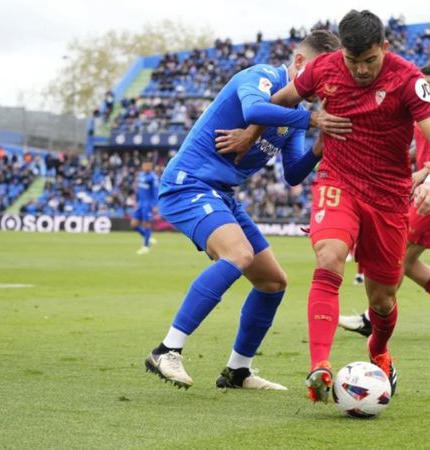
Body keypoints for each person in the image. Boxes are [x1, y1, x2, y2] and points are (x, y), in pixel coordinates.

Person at [144, 30, 348, 391]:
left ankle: (238, 370)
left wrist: (319, 148)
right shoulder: (261, 76)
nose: (323, 84)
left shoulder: (296, 112)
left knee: (273, 282)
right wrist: (313, 120)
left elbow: (292, 175)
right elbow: (254, 109)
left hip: (221, 194)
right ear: (300, 63)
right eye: (320, 72)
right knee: (238, 253)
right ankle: (167, 349)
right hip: (188, 183)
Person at [270, 10, 430, 403]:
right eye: (353, 62)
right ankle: (319, 366)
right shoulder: (323, 68)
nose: (361, 70)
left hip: (388, 199)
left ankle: (378, 350)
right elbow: (280, 102)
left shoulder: (408, 79)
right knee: (329, 256)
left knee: (382, 300)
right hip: (337, 182)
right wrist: (312, 117)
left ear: (384, 48)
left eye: (369, 61)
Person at [338, 63, 430, 340]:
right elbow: (422, 151)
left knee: (397, 251)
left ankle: (371, 318)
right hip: (422, 191)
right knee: (408, 261)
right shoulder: (422, 115)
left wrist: (425, 172)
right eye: (426, 83)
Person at [132, 159, 158, 255]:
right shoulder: (140, 175)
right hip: (140, 203)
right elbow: (138, 190)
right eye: (145, 165)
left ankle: (145, 247)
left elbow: (156, 192)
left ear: (151, 167)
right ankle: (147, 237)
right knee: (134, 224)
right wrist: (136, 202)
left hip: (148, 204)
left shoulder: (153, 177)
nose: (146, 167)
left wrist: (155, 205)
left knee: (146, 224)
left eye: (148, 165)